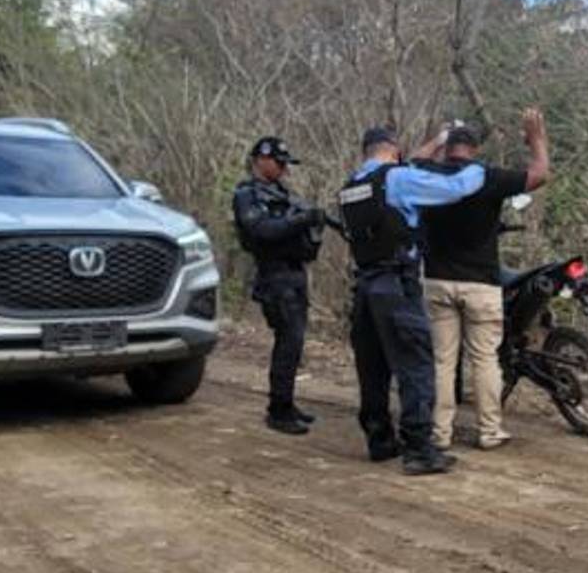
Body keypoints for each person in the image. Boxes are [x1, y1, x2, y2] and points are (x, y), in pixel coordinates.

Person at [339, 124, 488, 475]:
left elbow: (402, 174)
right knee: (416, 366)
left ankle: (380, 441)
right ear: (393, 149)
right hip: (396, 285)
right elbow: (455, 188)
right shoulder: (398, 179)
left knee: (372, 369)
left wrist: (435, 143)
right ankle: (420, 450)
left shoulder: (351, 185)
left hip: (365, 287)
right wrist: (481, 168)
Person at [412, 109, 550, 450]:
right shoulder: (486, 176)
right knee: (484, 358)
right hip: (481, 282)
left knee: (443, 360)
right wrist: (536, 138)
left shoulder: (427, 174)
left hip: (438, 280)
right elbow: (539, 174)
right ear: (474, 149)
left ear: (448, 148)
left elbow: (410, 160)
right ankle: (489, 431)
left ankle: (440, 433)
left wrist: (437, 139)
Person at [232, 136, 326, 435]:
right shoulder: (247, 195)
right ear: (261, 159)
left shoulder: (281, 193)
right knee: (288, 341)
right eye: (279, 162)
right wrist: (300, 221)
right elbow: (261, 230)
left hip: (295, 271)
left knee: (295, 343)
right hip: (274, 275)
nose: (285, 169)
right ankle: (278, 410)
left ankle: (286, 402)